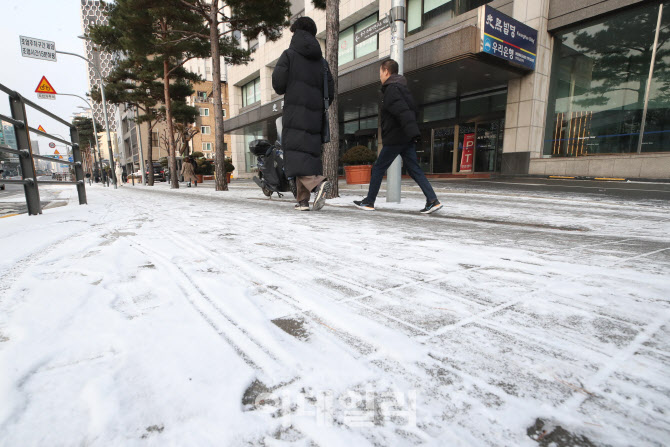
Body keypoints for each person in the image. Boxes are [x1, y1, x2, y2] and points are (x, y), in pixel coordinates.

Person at [354, 59, 443, 214]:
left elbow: (403, 112)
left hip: (395, 138)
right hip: (404, 137)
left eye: (380, 72)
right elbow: (413, 110)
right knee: (414, 169)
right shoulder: (402, 88)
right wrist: (412, 134)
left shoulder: (392, 90)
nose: (380, 76)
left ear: (386, 72)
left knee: (378, 168)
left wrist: (412, 132)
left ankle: (369, 201)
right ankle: (432, 200)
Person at [272, 16, 334, 212]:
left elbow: (278, 85)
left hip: (294, 113)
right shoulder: (322, 62)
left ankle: (317, 183)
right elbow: (329, 92)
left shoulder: (289, 55)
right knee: (307, 154)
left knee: (294, 154)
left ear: (296, 33)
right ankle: (303, 201)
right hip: (315, 116)